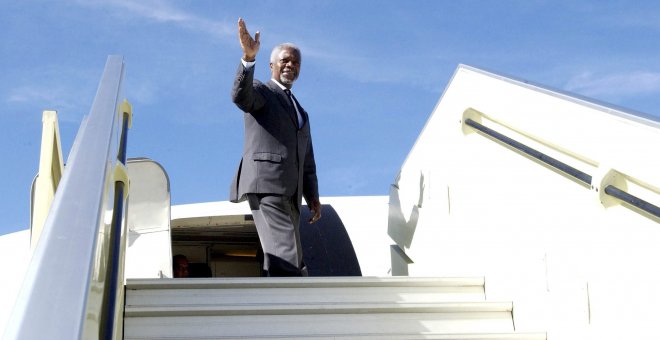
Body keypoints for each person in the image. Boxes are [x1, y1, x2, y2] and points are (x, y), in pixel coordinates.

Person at [229, 18, 322, 277]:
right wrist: (248, 58)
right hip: (267, 185)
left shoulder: (301, 112)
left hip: (291, 194)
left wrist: (312, 196)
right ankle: (296, 312)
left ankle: (278, 307)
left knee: (282, 258)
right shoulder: (262, 91)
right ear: (271, 65)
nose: (290, 65)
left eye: (295, 62)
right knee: (289, 258)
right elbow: (240, 95)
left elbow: (308, 159)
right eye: (285, 60)